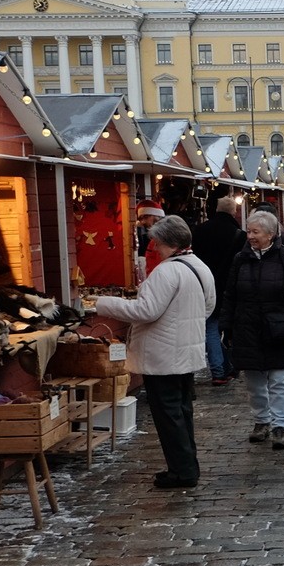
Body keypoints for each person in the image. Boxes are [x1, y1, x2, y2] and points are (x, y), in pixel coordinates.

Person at [90, 215, 216, 489]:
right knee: (181, 412)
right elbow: (208, 307)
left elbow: (145, 311)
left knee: (168, 415)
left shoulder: (166, 271)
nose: (154, 248)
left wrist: (103, 303)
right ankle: (186, 466)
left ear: (167, 243)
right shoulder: (200, 266)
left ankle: (182, 472)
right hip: (186, 352)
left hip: (163, 355)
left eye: (157, 243)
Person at [223, 211, 284, 450]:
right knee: (253, 381)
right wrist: (226, 324)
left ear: (270, 234)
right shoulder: (240, 259)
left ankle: (280, 424)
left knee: (279, 379)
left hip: (279, 328)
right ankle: (261, 420)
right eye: (249, 231)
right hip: (247, 327)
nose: (250, 236)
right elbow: (230, 294)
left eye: (255, 232)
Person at [193, 196, 246, 386]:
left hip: (204, 286)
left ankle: (218, 370)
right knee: (228, 327)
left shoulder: (199, 231)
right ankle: (228, 367)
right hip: (230, 288)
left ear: (216, 209)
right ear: (233, 212)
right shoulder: (240, 235)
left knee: (211, 328)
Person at [136, 201, 166, 280]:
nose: (143, 222)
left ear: (157, 216)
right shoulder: (149, 239)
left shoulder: (167, 238)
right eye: (140, 219)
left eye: (146, 217)